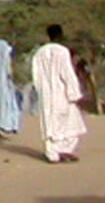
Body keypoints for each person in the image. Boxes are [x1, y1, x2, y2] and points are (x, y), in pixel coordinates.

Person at [31, 25, 86, 163]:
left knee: (51, 124)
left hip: (47, 95)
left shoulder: (39, 53)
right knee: (69, 123)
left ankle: (54, 153)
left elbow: (36, 76)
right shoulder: (62, 51)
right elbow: (67, 73)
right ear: (60, 35)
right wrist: (74, 93)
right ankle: (62, 151)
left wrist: (41, 91)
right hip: (62, 93)